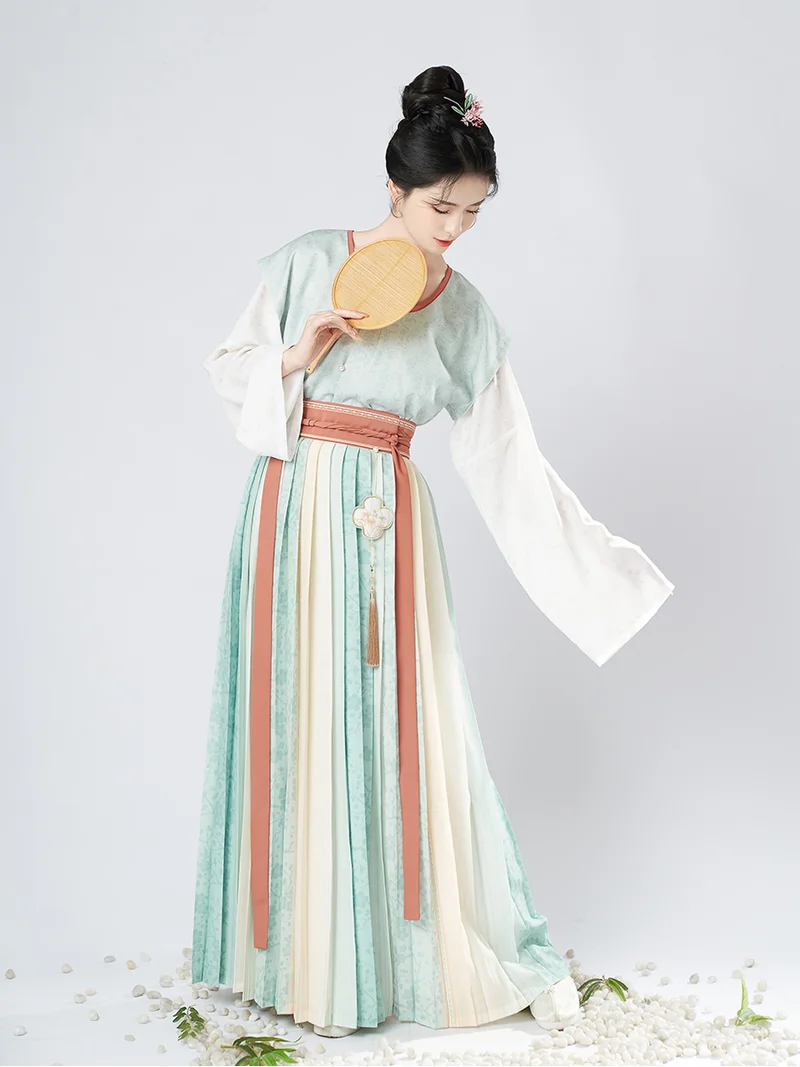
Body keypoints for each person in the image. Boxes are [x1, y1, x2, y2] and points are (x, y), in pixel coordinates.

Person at [190, 65, 675, 1039]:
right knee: (295, 707)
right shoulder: (306, 263)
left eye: (472, 212)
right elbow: (229, 368)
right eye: (438, 206)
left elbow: (508, 460)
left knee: (390, 717)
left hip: (386, 517)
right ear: (394, 188)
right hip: (291, 501)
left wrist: (606, 576)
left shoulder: (462, 312)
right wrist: (299, 353)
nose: (453, 228)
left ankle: (378, 960)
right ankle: (293, 958)